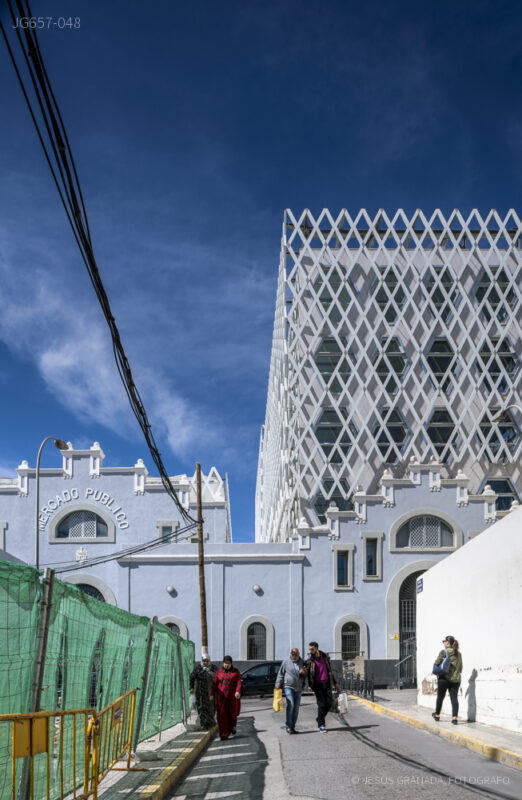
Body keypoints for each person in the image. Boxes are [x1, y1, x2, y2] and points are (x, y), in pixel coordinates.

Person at [304, 641, 339, 732]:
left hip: (327, 683)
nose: (310, 651)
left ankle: (319, 718)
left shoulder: (325, 657)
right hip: (317, 685)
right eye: (309, 649)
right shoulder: (309, 661)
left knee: (329, 703)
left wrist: (335, 683)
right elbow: (306, 673)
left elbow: (330, 671)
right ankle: (321, 725)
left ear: (317, 648)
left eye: (312, 649)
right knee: (321, 704)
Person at [432, 635, 463, 725]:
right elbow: (460, 668)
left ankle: (437, 715)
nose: (443, 643)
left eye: (444, 641)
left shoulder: (443, 652)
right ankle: (454, 718)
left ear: (447, 642)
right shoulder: (459, 653)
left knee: (440, 698)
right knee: (454, 699)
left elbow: (437, 663)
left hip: (444, 679)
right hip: (456, 680)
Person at [275, 647, 307, 734]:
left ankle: (292, 727)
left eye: (296, 655)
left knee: (296, 708)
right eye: (293, 655)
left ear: (299, 654)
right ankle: (288, 726)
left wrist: (303, 673)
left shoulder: (302, 662)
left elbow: (305, 675)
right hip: (288, 686)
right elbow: (280, 674)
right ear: (290, 654)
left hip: (299, 687)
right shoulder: (286, 662)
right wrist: (278, 684)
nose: (294, 656)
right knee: (291, 704)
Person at [210, 655, 242, 740]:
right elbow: (214, 684)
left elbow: (239, 682)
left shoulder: (236, 672)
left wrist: (237, 691)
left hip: (232, 698)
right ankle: (224, 734)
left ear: (231, 663)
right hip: (221, 698)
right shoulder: (219, 672)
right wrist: (212, 694)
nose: (226, 665)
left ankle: (232, 726)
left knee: (232, 714)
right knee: (222, 716)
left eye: (228, 663)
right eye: (225, 663)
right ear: (223, 663)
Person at [189, 654, 217, 730]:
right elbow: (192, 677)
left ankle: (211, 723)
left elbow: (219, 678)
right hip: (200, 692)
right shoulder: (198, 668)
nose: (205, 662)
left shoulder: (214, 668)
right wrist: (191, 687)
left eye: (207, 661)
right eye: (204, 661)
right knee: (201, 708)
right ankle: (204, 724)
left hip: (211, 692)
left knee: (211, 707)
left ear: (209, 661)